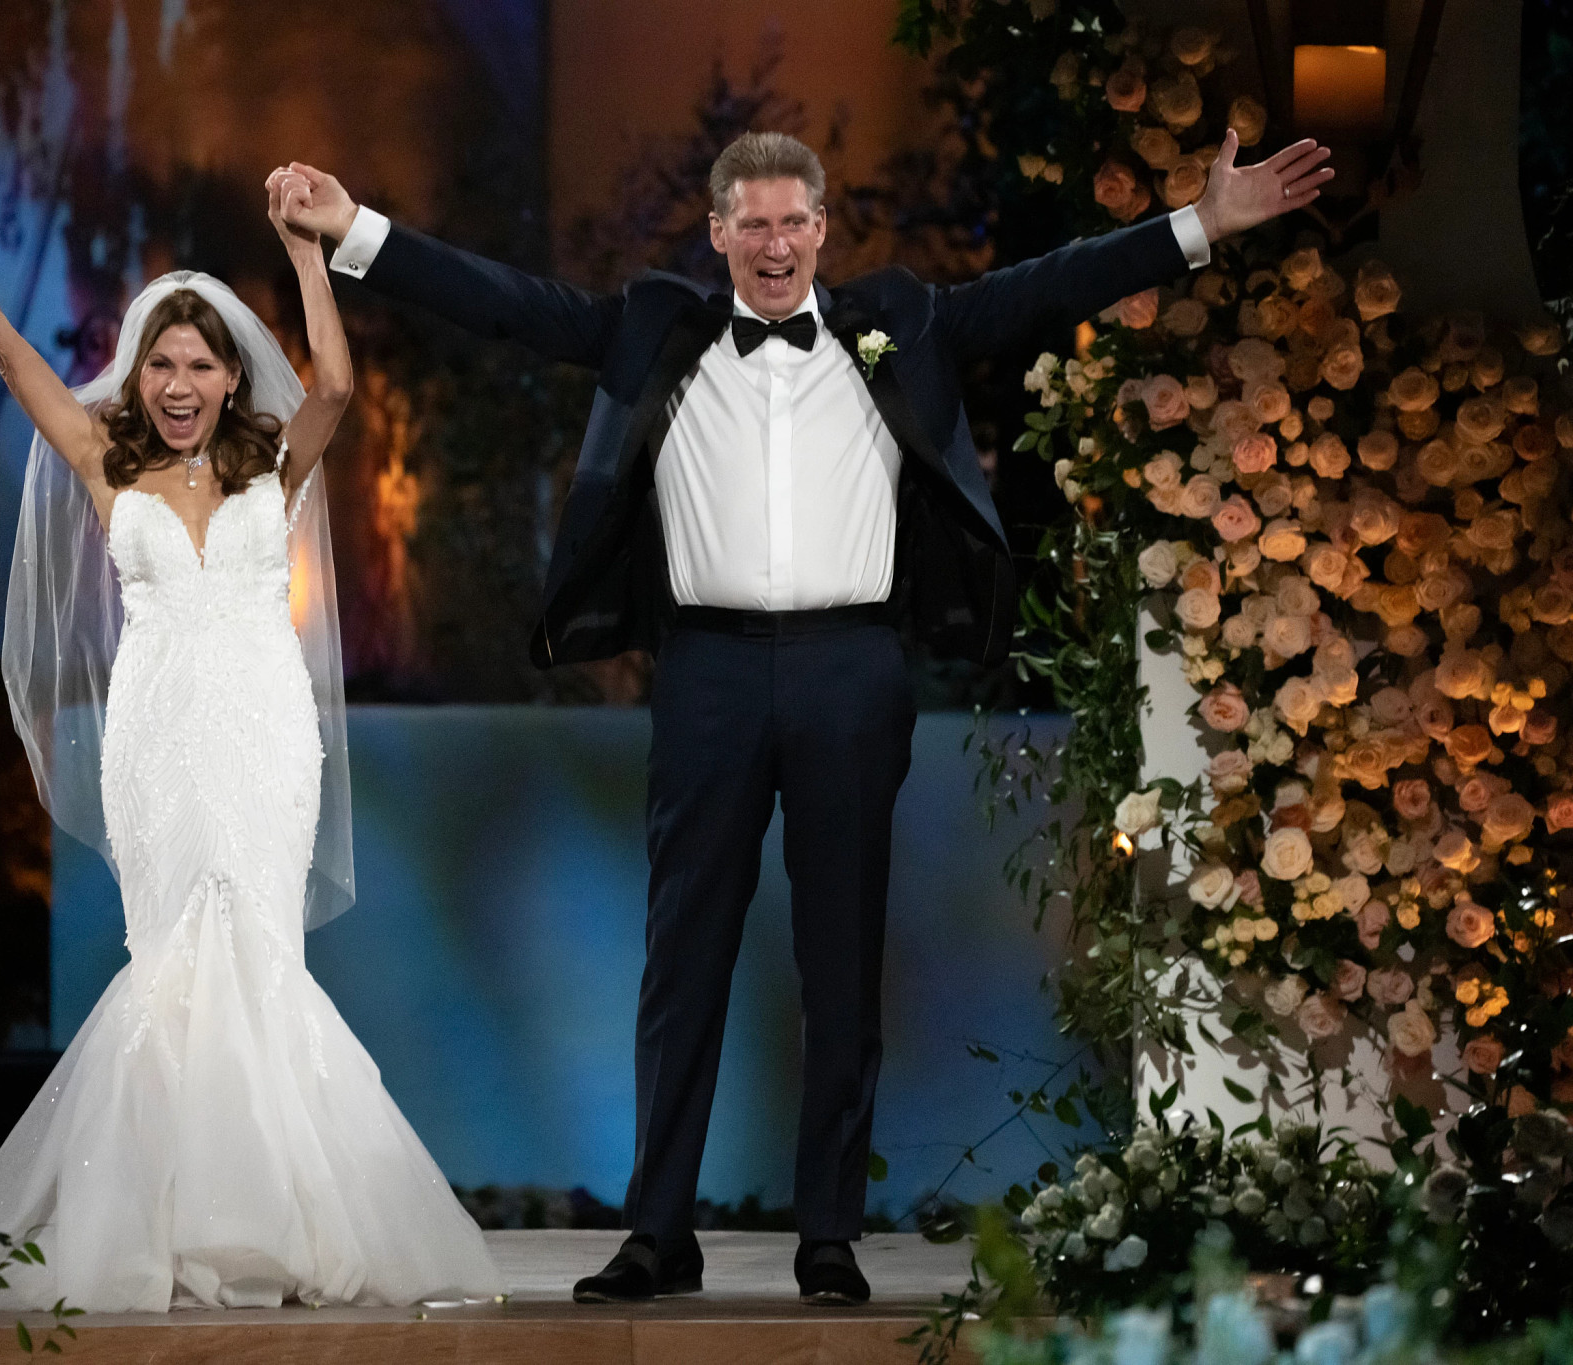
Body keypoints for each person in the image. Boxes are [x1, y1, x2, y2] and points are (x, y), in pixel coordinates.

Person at [271, 126, 1331, 1306]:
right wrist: (350, 229)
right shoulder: (657, 326)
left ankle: (828, 1236)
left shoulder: (900, 323)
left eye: (793, 223)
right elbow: (507, 303)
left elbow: (1049, 286)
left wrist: (1201, 224)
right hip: (707, 671)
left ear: (821, 231)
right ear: (717, 233)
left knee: (840, 955)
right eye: (752, 224)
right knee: (682, 958)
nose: (774, 245)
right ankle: (656, 1234)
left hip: (851, 668)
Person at [0, 133, 501, 1312]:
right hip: (156, 734)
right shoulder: (103, 464)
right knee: (173, 965)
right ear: (136, 380)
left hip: (263, 729)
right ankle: (173, 1221)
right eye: (162, 369)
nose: (180, 386)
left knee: (258, 953)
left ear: (232, 378)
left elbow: (336, 385)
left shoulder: (270, 471)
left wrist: (304, 253)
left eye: (199, 366)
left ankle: (279, 1225)